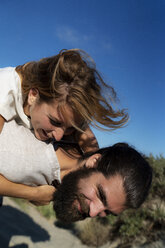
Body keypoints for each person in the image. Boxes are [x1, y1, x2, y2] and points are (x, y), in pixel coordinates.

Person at [0, 120, 152, 221]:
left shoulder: (68, 184)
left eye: (107, 212)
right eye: (100, 194)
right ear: (93, 163)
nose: (93, 213)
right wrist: (33, 193)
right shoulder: (31, 153)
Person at [0, 49, 128, 153]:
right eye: (54, 121)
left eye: (69, 129)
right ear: (33, 95)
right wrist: (36, 187)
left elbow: (89, 142)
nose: (59, 136)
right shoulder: (5, 90)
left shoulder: (66, 109)